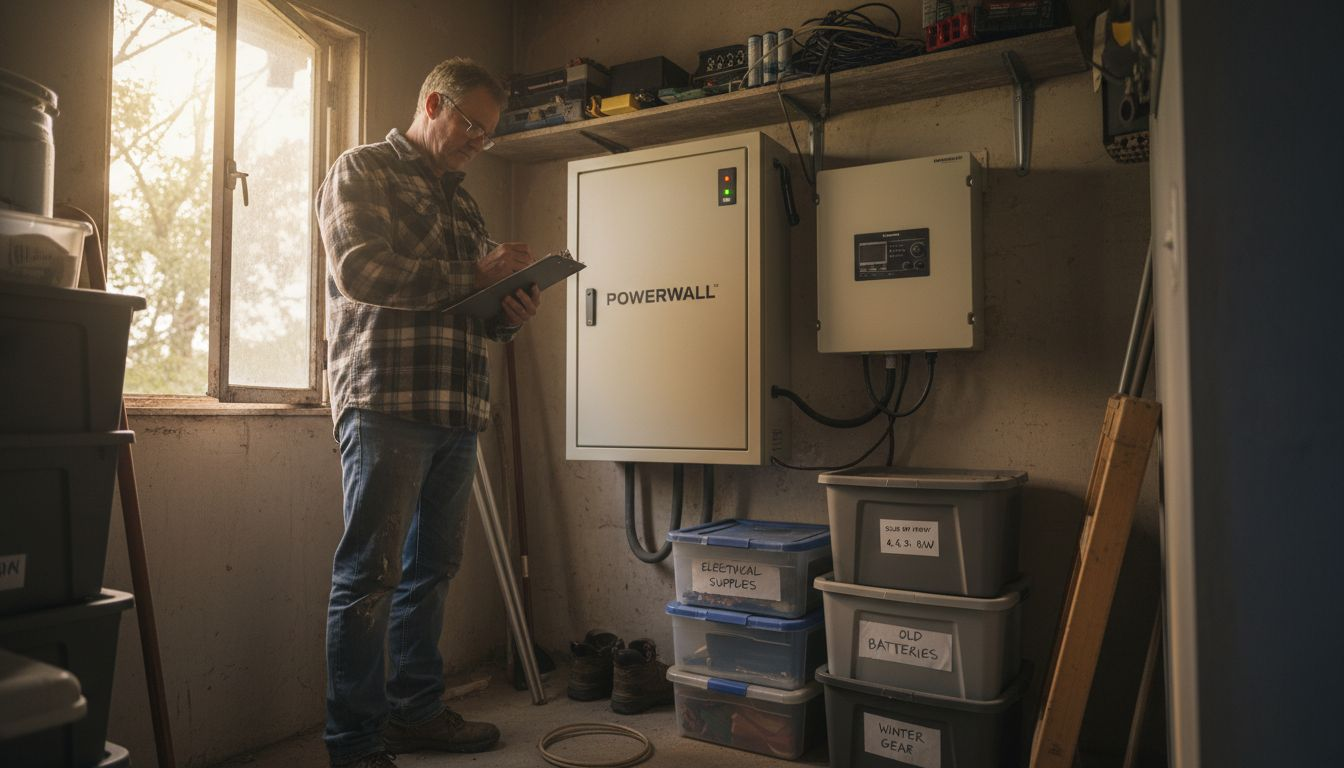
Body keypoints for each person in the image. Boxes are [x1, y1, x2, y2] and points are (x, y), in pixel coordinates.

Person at [315, 57, 540, 768]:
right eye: (473, 125)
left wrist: (512, 307)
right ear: (434, 105)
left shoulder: (465, 203)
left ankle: (415, 713)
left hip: (457, 405)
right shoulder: (362, 170)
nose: (479, 142)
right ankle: (352, 743)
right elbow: (361, 271)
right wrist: (477, 274)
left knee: (431, 570)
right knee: (369, 575)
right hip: (385, 398)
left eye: (489, 134)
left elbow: (471, 308)